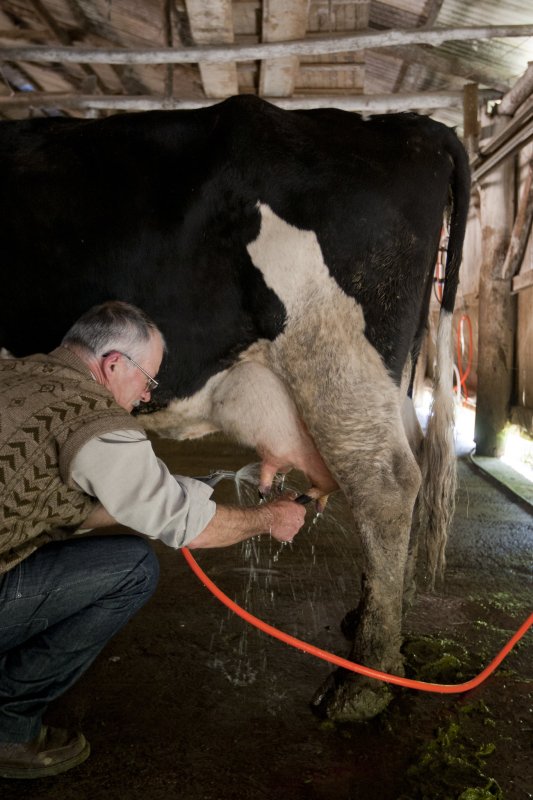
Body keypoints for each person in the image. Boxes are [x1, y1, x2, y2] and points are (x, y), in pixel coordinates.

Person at [0, 300, 306, 779]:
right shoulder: (95, 423)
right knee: (133, 569)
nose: (146, 397)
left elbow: (69, 499)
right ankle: (9, 728)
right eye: (147, 379)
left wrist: (173, 490)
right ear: (113, 364)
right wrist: (268, 518)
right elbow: (189, 526)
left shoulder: (18, 370)